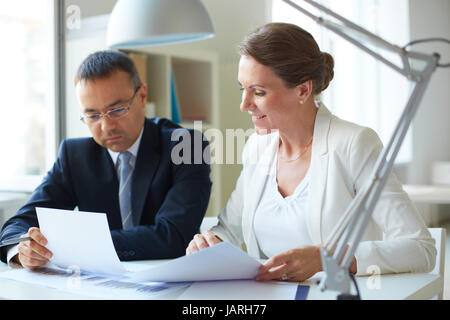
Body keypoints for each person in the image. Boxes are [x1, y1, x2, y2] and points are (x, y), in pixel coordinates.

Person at [186, 22, 436, 282]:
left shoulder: (354, 144)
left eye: (258, 92)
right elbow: (229, 231)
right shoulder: (257, 149)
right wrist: (207, 243)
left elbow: (421, 248)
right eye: (243, 89)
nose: (244, 105)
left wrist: (327, 257)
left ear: (303, 90)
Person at [0, 50, 212, 269]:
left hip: (172, 283)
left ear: (141, 96)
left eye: (117, 109)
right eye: (92, 115)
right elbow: (17, 226)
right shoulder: (75, 156)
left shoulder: (187, 146)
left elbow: (174, 237)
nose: (106, 126)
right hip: (100, 285)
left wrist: (76, 245)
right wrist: (21, 250)